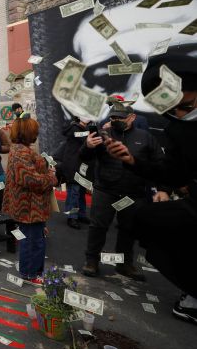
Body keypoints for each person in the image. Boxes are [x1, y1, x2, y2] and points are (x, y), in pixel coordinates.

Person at [105, 56, 197, 324]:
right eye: (172, 111)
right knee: (142, 221)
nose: (181, 115)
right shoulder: (178, 130)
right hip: (116, 190)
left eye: (187, 106)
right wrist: (131, 160)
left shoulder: (145, 137)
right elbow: (170, 170)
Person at [80, 103, 164, 281]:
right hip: (105, 190)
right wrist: (87, 145)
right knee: (98, 227)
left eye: (119, 118)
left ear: (132, 118)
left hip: (133, 193)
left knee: (128, 230)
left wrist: (163, 189)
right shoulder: (103, 135)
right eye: (112, 118)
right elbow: (84, 157)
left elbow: (160, 164)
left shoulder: (146, 137)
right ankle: (92, 261)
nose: (115, 121)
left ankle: (124, 264)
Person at [2, 116, 57, 284]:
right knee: (32, 241)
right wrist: (51, 177)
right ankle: (30, 273)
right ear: (28, 132)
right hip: (28, 206)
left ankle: (33, 271)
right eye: (35, 130)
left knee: (34, 239)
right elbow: (30, 180)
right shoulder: (21, 152)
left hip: (30, 205)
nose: (37, 133)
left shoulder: (20, 150)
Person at [55, 116, 92, 229]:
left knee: (80, 192)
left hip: (82, 166)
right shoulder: (74, 128)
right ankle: (72, 216)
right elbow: (82, 138)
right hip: (72, 165)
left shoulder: (87, 129)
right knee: (74, 192)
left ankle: (80, 214)